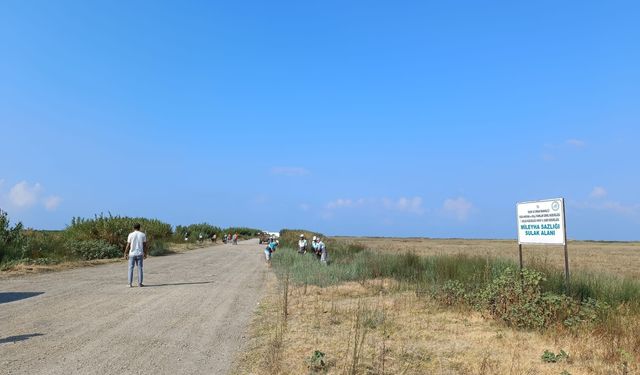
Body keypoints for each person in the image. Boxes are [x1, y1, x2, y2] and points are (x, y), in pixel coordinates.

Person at [124, 223, 147, 287]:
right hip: (140, 253)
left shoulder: (130, 235)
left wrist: (125, 253)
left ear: (133, 228)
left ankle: (130, 284)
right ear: (140, 227)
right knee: (140, 268)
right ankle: (140, 283)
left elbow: (128, 245)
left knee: (130, 268)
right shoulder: (143, 235)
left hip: (132, 254)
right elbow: (144, 245)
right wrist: (145, 253)